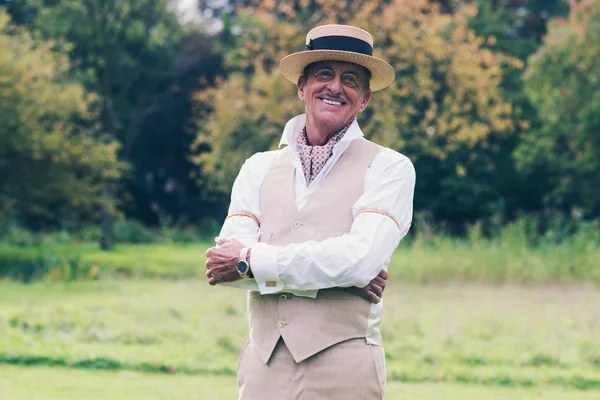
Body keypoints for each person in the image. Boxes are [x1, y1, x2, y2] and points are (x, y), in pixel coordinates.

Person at [205, 24, 415, 399]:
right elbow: (226, 268)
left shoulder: (389, 167)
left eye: (350, 79)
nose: (335, 86)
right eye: (323, 74)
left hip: (345, 369)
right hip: (262, 369)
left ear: (364, 98)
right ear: (301, 86)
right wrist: (338, 275)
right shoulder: (257, 167)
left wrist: (249, 259)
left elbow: (361, 261)